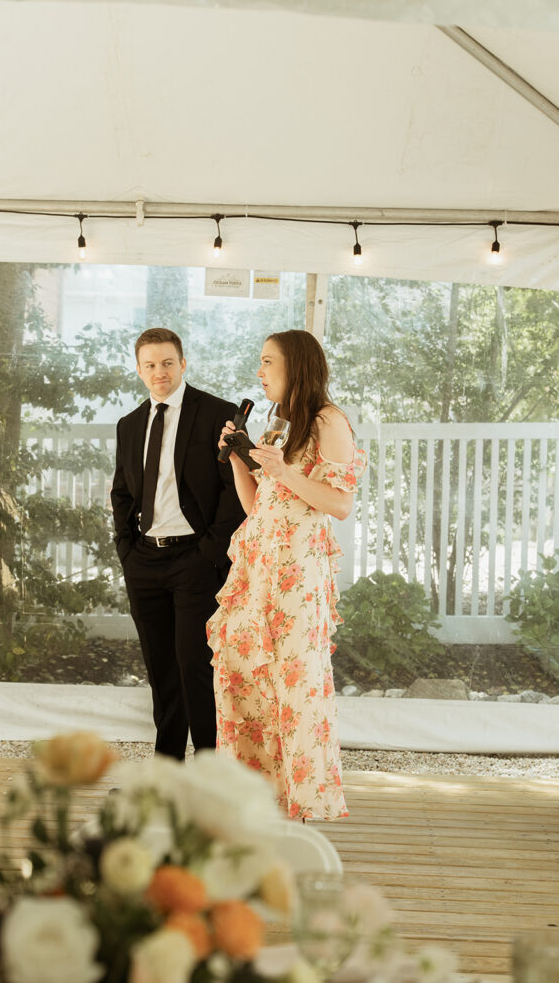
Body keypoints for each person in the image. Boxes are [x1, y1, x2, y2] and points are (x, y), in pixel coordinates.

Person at [207, 329, 366, 820]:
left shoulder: (328, 421)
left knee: (294, 687)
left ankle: (300, 806)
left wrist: (282, 472)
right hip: (257, 570)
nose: (259, 371)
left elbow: (340, 503)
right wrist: (240, 460)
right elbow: (258, 506)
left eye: (267, 361)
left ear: (296, 365)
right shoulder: (279, 425)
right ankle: (255, 801)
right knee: (247, 679)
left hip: (297, 575)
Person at [111, 327, 244, 760]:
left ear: (183, 364)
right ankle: (167, 771)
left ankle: (208, 774)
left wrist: (210, 553)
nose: (160, 372)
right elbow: (121, 493)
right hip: (144, 560)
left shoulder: (218, 414)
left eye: (167, 362)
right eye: (150, 365)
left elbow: (236, 490)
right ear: (138, 370)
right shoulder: (130, 425)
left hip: (195, 560)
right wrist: (127, 550)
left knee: (195, 668)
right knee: (162, 672)